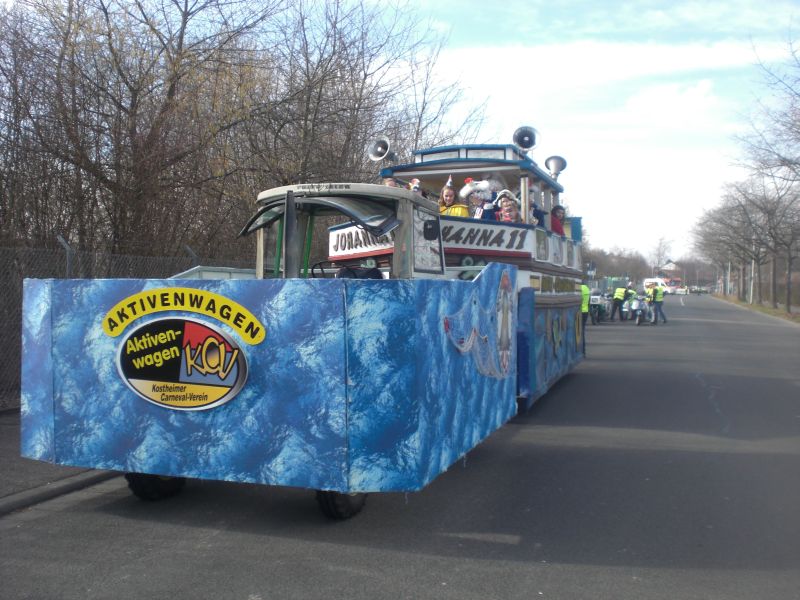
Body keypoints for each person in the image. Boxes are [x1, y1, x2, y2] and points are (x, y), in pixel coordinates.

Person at [580, 282, 590, 355]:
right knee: (582, 331)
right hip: (585, 311)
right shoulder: (587, 289)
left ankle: (580, 350)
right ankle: (583, 350)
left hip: (579, 311)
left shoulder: (579, 288)